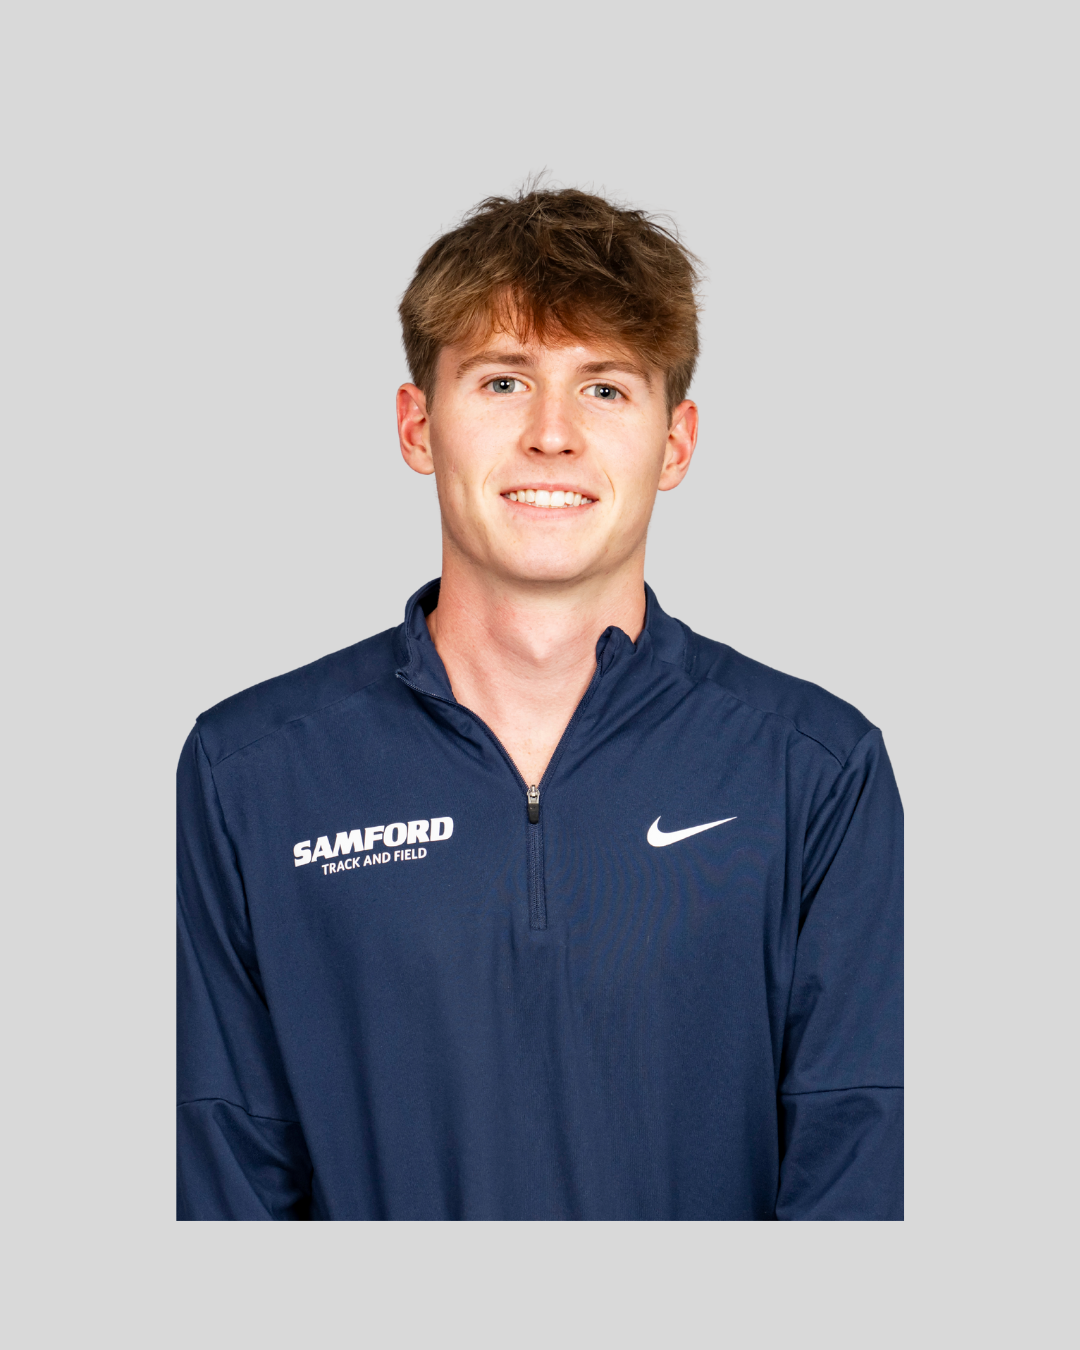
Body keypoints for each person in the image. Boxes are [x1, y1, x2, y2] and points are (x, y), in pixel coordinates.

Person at [177, 186, 903, 1220]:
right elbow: (217, 1181)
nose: (551, 435)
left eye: (604, 388)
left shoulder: (818, 772)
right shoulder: (247, 774)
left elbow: (862, 1178)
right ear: (417, 425)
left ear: (676, 442)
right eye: (504, 381)